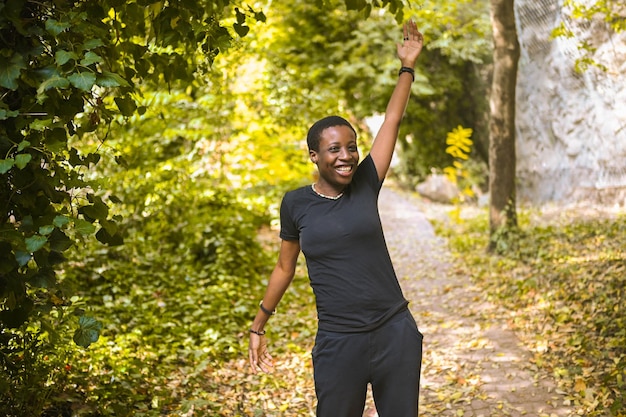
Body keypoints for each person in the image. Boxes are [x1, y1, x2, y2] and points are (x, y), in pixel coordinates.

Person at [248, 20, 424, 417]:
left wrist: (407, 67)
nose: (346, 155)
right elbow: (284, 267)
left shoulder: (366, 182)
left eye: (351, 147)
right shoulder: (296, 204)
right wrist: (259, 326)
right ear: (314, 155)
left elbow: (391, 121)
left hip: (394, 332)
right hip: (338, 342)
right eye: (333, 149)